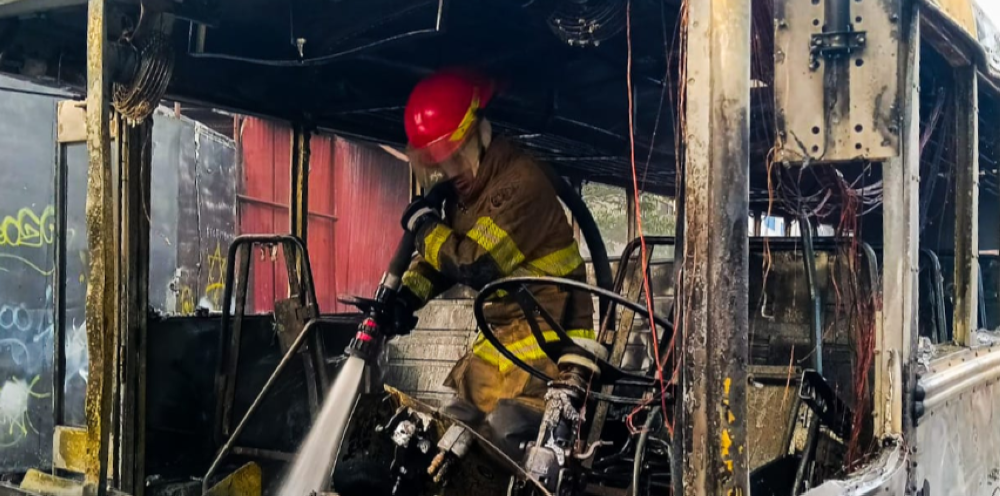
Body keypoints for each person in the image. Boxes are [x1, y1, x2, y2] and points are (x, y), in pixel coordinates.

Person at [395, 68, 597, 460]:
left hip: (549, 357)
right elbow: (443, 261)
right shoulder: (466, 193)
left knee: (501, 436)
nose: (448, 173)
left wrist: (423, 225)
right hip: (503, 348)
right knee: (448, 430)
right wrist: (403, 298)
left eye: (453, 159)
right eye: (438, 163)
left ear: (476, 134)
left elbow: (473, 262)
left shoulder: (519, 184)